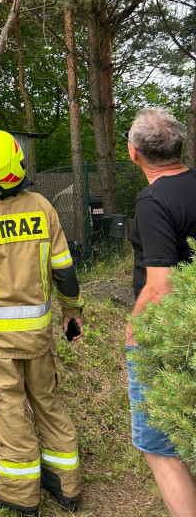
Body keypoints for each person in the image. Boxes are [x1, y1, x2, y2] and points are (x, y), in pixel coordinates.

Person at [0, 124, 83, 517]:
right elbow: (65, 271)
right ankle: (67, 485)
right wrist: (72, 313)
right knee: (48, 404)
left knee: (9, 412)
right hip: (38, 336)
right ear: (18, 166)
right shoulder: (42, 206)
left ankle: (20, 495)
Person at [125, 107, 196, 517]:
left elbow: (160, 285)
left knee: (159, 447)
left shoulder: (153, 201)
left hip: (169, 334)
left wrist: (134, 329)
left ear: (135, 154)